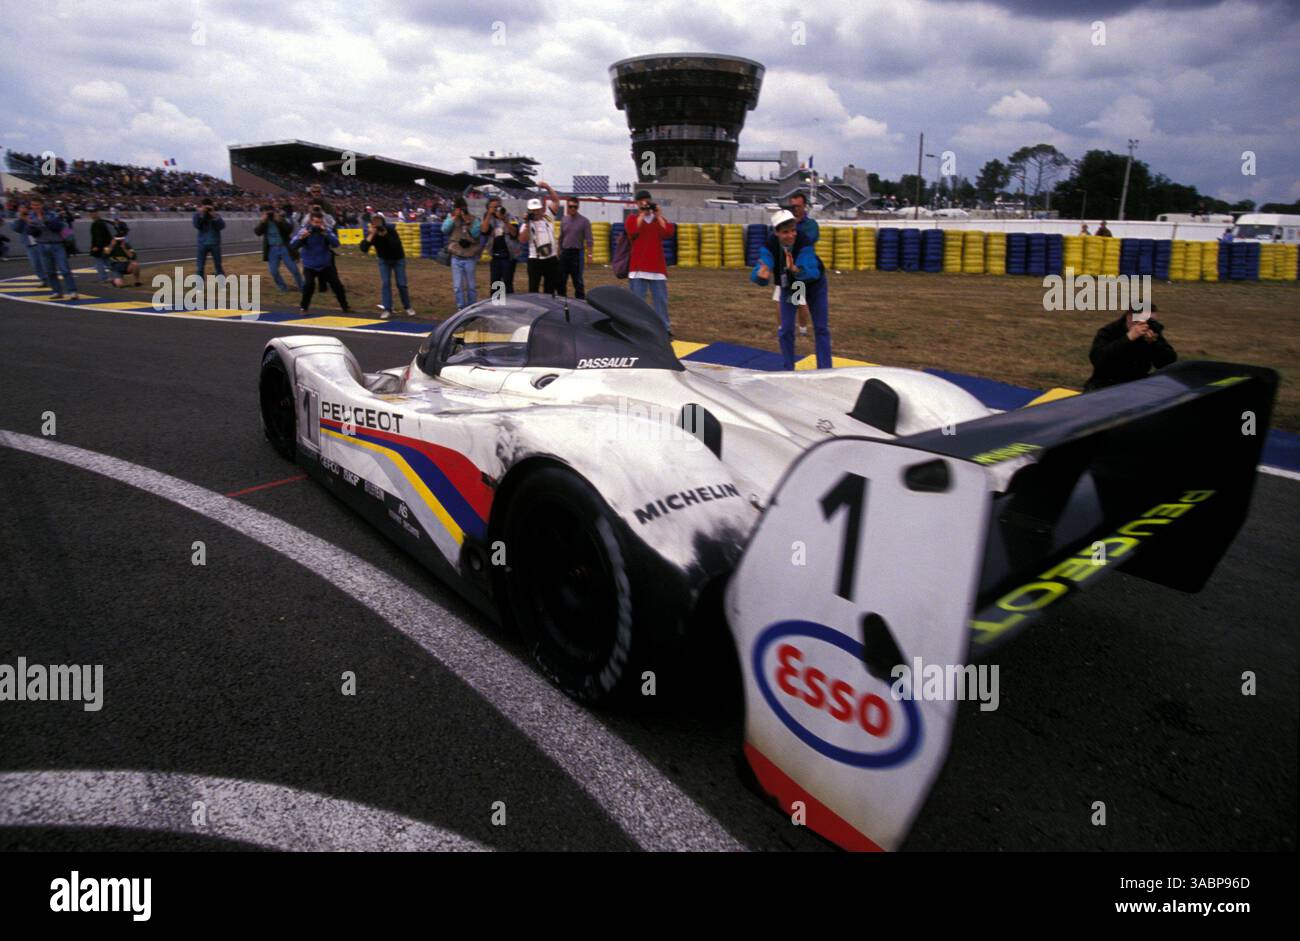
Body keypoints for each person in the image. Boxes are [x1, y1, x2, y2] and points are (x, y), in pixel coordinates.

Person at [750, 209, 830, 370]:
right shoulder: (769, 245)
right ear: (776, 233)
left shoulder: (804, 241)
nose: (791, 235)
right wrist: (760, 275)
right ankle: (788, 369)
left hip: (814, 284)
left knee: (821, 328)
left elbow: (812, 270)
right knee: (786, 329)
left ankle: (825, 368)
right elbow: (763, 264)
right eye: (785, 232)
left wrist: (796, 269)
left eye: (793, 230)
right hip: (794, 286)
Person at [1083, 303, 1176, 391]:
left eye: (1152, 321)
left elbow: (1168, 362)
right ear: (1130, 317)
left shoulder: (1152, 330)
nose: (1148, 324)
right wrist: (1128, 338)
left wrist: (1154, 344)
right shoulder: (1109, 331)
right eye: (1145, 320)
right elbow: (1098, 360)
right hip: (1106, 383)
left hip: (1138, 384)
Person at [625, 188, 675, 329]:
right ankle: (635, 328)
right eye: (641, 202)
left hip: (657, 269)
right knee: (637, 302)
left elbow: (668, 232)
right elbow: (632, 231)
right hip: (638, 269)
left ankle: (664, 329)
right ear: (637, 204)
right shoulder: (632, 219)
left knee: (660, 302)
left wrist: (658, 215)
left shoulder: (658, 221)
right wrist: (642, 214)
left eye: (647, 201)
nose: (645, 204)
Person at [13, 199, 78, 298]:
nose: (36, 207)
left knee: (64, 269)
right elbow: (25, 230)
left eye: (37, 205)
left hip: (57, 244)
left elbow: (59, 226)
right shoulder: (30, 216)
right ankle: (56, 291)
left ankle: (72, 291)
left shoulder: (52, 214)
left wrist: (43, 221)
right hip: (41, 244)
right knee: (49, 270)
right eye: (33, 205)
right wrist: (25, 221)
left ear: (42, 205)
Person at [291, 209, 350, 313]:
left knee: (336, 285)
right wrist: (301, 238)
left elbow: (336, 243)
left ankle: (345, 306)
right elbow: (293, 246)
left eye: (320, 222)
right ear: (311, 222)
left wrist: (325, 233)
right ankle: (304, 307)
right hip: (310, 264)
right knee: (309, 285)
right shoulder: (304, 231)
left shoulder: (326, 230)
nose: (318, 225)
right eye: (316, 222)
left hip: (325, 264)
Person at [360, 213, 416, 319]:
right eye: (374, 222)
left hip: (398, 259)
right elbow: (363, 249)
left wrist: (385, 235)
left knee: (401, 284)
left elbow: (395, 245)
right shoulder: (373, 234)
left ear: (383, 222)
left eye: (379, 222)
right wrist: (371, 235)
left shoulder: (391, 230)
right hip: (384, 260)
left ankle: (407, 307)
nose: (377, 224)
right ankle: (387, 309)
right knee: (385, 284)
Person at [518, 181, 564, 295]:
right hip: (535, 260)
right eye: (533, 210)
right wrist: (527, 222)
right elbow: (523, 240)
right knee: (533, 288)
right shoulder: (526, 224)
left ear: (541, 208)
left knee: (550, 288)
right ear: (529, 211)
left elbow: (556, 201)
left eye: (537, 209)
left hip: (551, 258)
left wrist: (548, 187)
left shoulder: (548, 217)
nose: (536, 212)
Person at [786, 191, 819, 336]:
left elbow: (809, 240)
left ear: (804, 206)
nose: (795, 209)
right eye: (793, 206)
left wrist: (795, 226)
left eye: (798, 206)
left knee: (799, 299)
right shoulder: (787, 224)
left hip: (801, 266)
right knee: (781, 299)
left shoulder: (810, 225)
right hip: (787, 264)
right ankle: (785, 327)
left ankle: (803, 328)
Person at [441, 195, 482, 308]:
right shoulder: (452, 219)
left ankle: (472, 306)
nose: (460, 210)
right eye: (458, 208)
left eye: (462, 208)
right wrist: (454, 218)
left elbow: (476, 234)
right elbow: (444, 230)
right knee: (458, 286)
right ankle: (460, 306)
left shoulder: (474, 219)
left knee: (471, 286)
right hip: (456, 256)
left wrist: (467, 222)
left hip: (470, 257)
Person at [255, 205, 303, 293]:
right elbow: (257, 232)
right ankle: (283, 288)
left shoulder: (280, 219)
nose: (269, 214)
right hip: (272, 249)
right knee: (273, 271)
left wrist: (279, 220)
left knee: (294, 269)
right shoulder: (264, 222)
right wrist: (262, 221)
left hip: (284, 247)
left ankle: (302, 287)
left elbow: (289, 230)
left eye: (270, 212)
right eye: (266, 212)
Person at [482, 196, 520, 295]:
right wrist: (489, 215)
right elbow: (484, 230)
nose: (497, 209)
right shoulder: (488, 218)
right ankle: (496, 306)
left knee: (507, 283)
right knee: (495, 283)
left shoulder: (511, 217)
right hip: (495, 255)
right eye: (494, 207)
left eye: (498, 206)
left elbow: (515, 233)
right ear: (488, 208)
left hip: (509, 254)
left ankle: (509, 305)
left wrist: (505, 220)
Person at [558, 195, 593, 299]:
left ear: (578, 207)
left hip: (577, 254)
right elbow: (561, 237)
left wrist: (590, 255)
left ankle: (580, 302)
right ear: (567, 207)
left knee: (577, 280)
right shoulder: (564, 220)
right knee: (561, 280)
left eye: (575, 207)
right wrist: (558, 250)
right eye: (570, 206)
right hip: (564, 253)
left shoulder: (584, 221)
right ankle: (561, 301)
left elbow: (589, 239)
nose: (572, 208)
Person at [10, 205, 49, 287]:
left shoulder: (34, 215)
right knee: (35, 263)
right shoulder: (19, 220)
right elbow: (15, 228)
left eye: (24, 208)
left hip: (41, 241)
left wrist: (30, 220)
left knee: (45, 262)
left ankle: (50, 277)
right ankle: (43, 279)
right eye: (20, 209)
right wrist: (21, 219)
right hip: (30, 244)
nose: (22, 210)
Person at [192, 197, 225, 276]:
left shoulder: (216, 215)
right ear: (202, 206)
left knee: (218, 265)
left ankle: (221, 283)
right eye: (205, 207)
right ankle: (200, 285)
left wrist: (214, 215)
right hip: (202, 244)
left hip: (215, 243)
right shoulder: (198, 215)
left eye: (209, 207)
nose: (207, 209)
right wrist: (202, 214)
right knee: (200, 267)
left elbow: (222, 226)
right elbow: (197, 225)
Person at [88, 207, 114, 282]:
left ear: (96, 213)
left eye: (92, 213)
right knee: (108, 261)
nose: (91, 215)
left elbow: (99, 236)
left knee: (100, 262)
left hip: (100, 246)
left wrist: (97, 246)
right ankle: (117, 274)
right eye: (90, 213)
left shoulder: (97, 223)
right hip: (106, 245)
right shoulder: (102, 222)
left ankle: (104, 277)